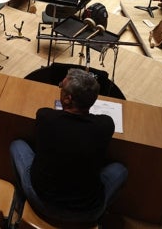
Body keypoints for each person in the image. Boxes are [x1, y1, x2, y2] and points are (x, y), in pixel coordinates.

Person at [10, 68, 128, 224]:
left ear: (67, 99)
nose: (60, 87)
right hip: (87, 212)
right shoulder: (105, 125)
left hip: (41, 202)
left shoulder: (46, 118)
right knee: (120, 170)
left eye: (61, 87)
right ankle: (100, 218)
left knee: (17, 145)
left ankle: (21, 200)